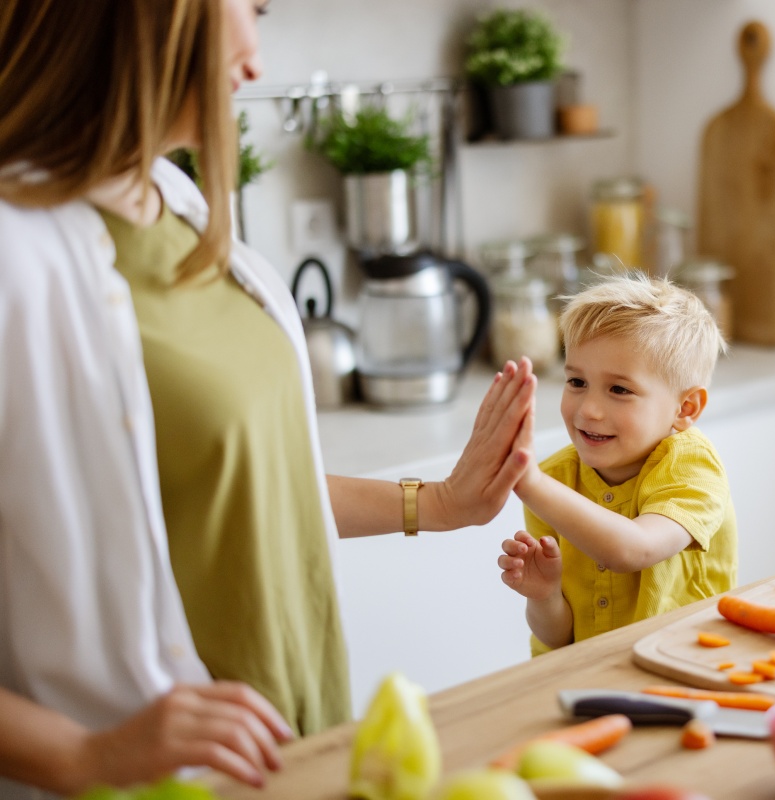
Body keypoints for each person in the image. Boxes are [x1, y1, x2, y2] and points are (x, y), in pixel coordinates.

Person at [0, 0, 534, 796]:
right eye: (246, 8)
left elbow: (240, 488)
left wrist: (442, 503)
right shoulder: (15, 250)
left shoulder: (176, 210)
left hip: (304, 746)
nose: (256, 58)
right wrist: (86, 757)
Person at [497, 275, 737, 653]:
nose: (589, 410)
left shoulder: (692, 466)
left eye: (619, 390)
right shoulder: (555, 478)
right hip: (584, 677)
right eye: (577, 381)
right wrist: (542, 596)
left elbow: (634, 549)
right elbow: (558, 639)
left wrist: (531, 484)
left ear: (685, 408)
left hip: (680, 675)